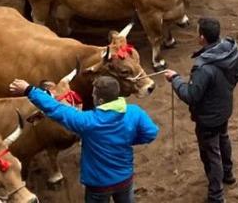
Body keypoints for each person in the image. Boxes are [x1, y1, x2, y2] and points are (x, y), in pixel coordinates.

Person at [8, 74, 158, 203]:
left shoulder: (86, 121)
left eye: (94, 94)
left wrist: (29, 90)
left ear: (99, 101)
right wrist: (127, 139)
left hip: (98, 185)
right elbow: (151, 133)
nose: (91, 96)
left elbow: (56, 108)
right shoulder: (135, 112)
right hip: (125, 179)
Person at [163, 18, 238, 203]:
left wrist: (176, 80)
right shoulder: (231, 50)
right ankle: (228, 173)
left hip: (208, 117)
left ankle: (216, 195)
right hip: (224, 108)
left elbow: (191, 95)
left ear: (202, 37)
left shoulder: (204, 68)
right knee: (223, 138)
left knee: (210, 153)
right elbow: (237, 76)